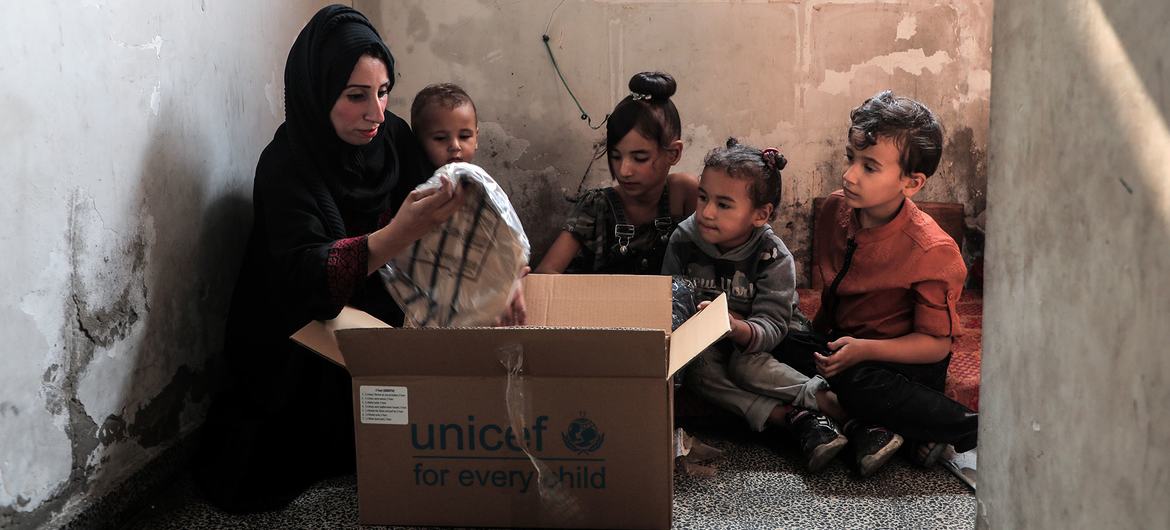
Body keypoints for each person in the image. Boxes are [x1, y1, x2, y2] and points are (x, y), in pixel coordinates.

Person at [194, 5, 466, 512]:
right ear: (318, 93)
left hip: (379, 309)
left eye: (383, 92)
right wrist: (395, 234)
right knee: (272, 456)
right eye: (355, 97)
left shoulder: (394, 139)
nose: (376, 113)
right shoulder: (286, 165)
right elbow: (307, 278)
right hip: (302, 332)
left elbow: (439, 229)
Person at [663, 139, 901, 473]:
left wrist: (736, 327)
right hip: (715, 341)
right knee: (698, 373)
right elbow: (671, 297)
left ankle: (835, 409)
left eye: (724, 204)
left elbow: (774, 328)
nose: (706, 212)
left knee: (746, 367)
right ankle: (795, 418)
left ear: (761, 214)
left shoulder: (772, 255)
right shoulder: (684, 239)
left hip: (775, 342)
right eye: (703, 197)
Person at [777, 90, 978, 475]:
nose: (849, 175)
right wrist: (815, 341)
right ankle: (905, 430)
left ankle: (967, 428)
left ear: (912, 182)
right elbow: (833, 298)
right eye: (850, 159)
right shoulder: (838, 209)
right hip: (847, 346)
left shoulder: (932, 249)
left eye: (870, 167)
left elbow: (935, 346)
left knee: (857, 382)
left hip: (902, 365)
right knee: (772, 337)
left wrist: (865, 350)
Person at [536, 72, 698, 275]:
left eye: (640, 158)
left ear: (673, 153)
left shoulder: (684, 193)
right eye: (616, 156)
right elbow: (545, 273)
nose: (624, 171)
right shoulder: (596, 206)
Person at [410, 83, 479, 167]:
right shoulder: (413, 178)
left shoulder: (478, 178)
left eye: (464, 136)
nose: (455, 146)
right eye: (440, 138)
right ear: (418, 141)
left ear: (476, 138)